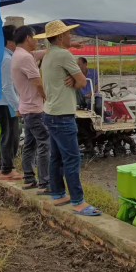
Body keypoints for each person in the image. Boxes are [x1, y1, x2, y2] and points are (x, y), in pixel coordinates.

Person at [37, 20, 100, 216]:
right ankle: (78, 202)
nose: (70, 37)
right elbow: (82, 82)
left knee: (56, 157)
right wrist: (75, 79)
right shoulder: (64, 55)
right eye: (68, 34)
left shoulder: (47, 55)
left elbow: (73, 80)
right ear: (61, 36)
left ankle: (57, 193)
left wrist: (71, 79)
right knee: (72, 158)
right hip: (63, 114)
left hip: (50, 112)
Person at [11, 25, 51, 194]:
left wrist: (61, 47)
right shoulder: (26, 59)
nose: (36, 41)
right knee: (45, 143)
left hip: (26, 108)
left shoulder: (19, 55)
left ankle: (29, 178)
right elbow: (38, 82)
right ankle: (45, 182)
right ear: (28, 38)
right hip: (35, 109)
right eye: (34, 38)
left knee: (30, 143)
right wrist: (47, 97)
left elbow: (40, 54)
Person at [0, 25, 22, 180]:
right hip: (6, 102)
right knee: (12, 134)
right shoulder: (7, 59)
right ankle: (7, 169)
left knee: (6, 133)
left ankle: (1, 166)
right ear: (10, 42)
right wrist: (17, 106)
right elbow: (7, 86)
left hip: (0, 100)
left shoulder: (1, 55)